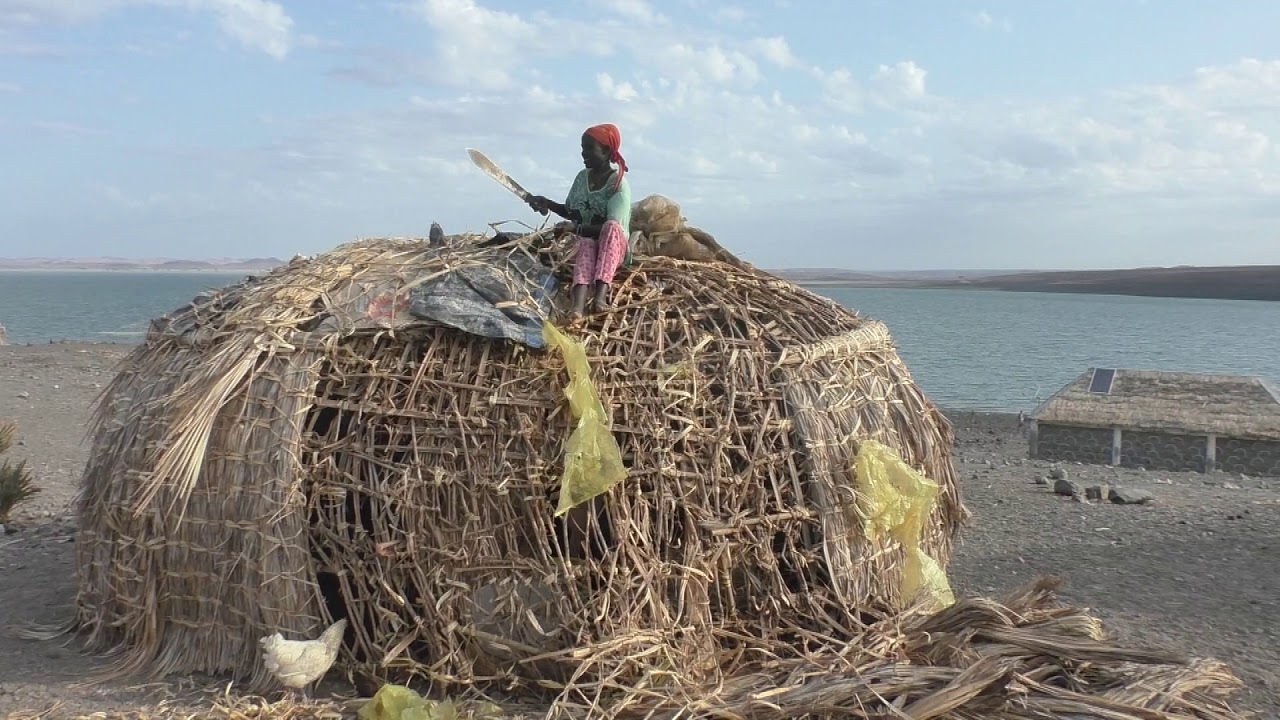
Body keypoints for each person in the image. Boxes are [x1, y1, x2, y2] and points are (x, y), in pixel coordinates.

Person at [526, 123, 632, 324]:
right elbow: (572, 212)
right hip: (589, 242)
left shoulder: (617, 185)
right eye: (582, 148)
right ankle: (577, 308)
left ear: (606, 150)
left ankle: (600, 298)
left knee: (609, 229)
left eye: (588, 149)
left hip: (613, 246)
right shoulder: (581, 178)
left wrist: (577, 228)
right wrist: (547, 203)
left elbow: (613, 227)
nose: (583, 154)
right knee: (585, 243)